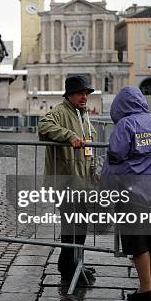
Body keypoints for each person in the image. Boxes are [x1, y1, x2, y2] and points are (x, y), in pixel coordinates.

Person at [102, 86, 151, 301]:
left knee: (138, 243)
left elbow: (115, 160)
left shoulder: (125, 125)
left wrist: (106, 188)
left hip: (135, 193)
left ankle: (145, 290)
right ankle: (150, 285)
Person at [38, 75, 97, 282]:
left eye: (86, 93)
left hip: (81, 179)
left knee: (78, 225)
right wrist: (68, 136)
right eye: (80, 93)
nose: (84, 97)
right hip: (66, 181)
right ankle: (70, 268)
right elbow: (43, 126)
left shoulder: (83, 114)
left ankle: (72, 263)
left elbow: (89, 143)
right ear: (70, 95)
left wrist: (93, 169)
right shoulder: (59, 111)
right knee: (72, 226)